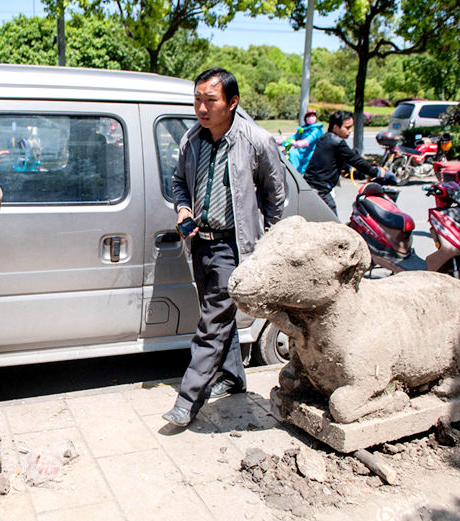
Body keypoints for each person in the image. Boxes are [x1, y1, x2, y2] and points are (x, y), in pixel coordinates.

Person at [163, 68, 286, 427]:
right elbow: (177, 182)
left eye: (210, 100)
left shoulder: (256, 141)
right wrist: (183, 207)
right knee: (219, 316)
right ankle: (232, 377)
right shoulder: (192, 139)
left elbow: (276, 196)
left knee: (212, 323)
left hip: (234, 247)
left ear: (232, 103)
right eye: (197, 99)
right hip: (200, 243)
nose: (202, 107)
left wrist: (268, 246)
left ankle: (188, 401)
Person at [303, 110, 391, 216]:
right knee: (333, 224)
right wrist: (375, 172)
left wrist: (348, 169)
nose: (349, 131)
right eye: (347, 128)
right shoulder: (337, 142)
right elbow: (355, 160)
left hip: (311, 188)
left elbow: (336, 160)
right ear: (336, 127)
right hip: (320, 191)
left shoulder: (326, 138)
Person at [288, 109, 323, 174]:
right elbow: (294, 136)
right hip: (299, 152)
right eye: (308, 116)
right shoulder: (303, 128)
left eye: (312, 116)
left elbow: (310, 139)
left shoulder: (316, 130)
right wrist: (284, 140)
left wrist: (300, 143)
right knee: (292, 153)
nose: (310, 118)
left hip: (309, 154)